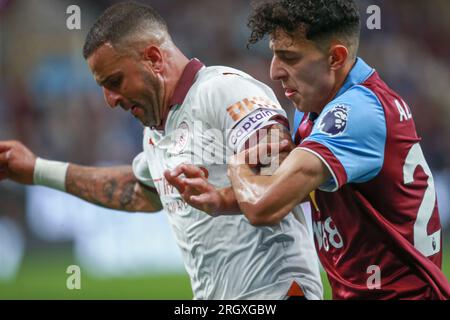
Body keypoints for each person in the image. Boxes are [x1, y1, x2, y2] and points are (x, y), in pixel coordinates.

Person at [0, 1, 323, 300]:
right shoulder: (157, 131)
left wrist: (222, 197)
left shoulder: (223, 90)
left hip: (276, 292)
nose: (109, 100)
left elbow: (281, 172)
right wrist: (37, 170)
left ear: (154, 59)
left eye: (114, 81)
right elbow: (140, 189)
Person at [168, 0, 450, 299]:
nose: (275, 71)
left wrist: (236, 165)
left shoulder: (356, 113)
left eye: (289, 57)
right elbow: (298, 188)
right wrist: (221, 198)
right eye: (274, 55)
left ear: (335, 57)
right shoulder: (318, 105)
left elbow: (264, 206)